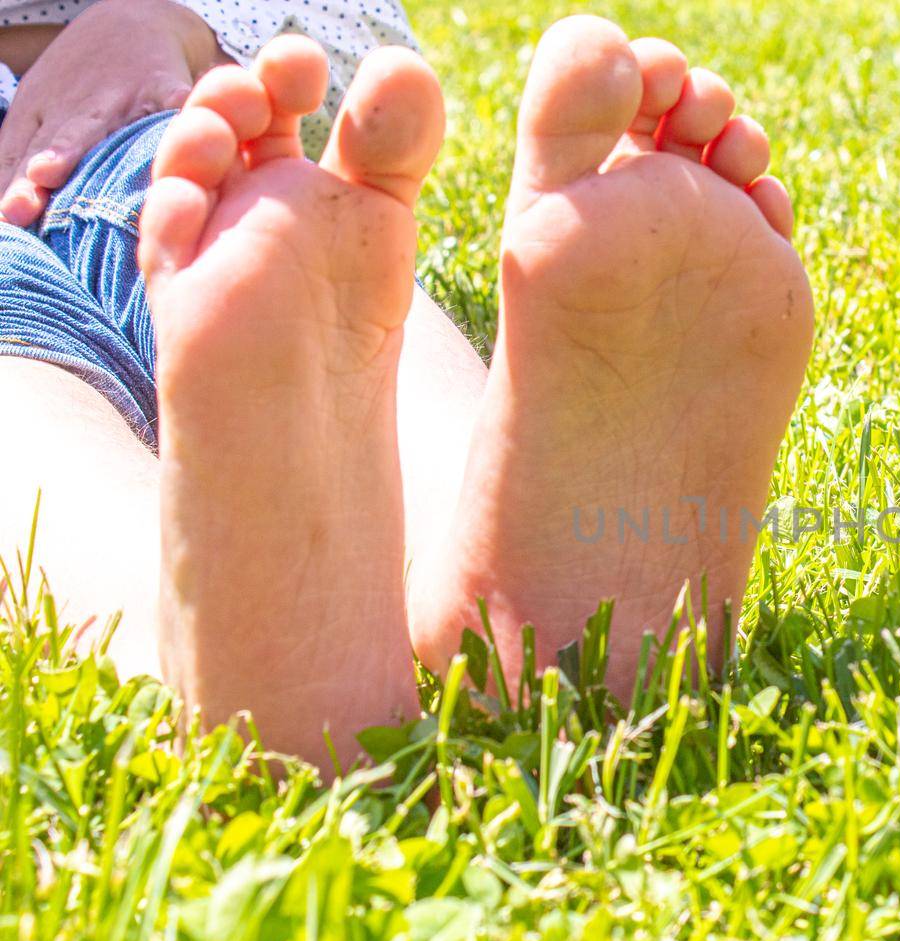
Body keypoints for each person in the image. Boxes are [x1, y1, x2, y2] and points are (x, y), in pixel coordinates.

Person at [0, 0, 815, 770]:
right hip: (149, 150)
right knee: (264, 251)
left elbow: (359, 32)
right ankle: (208, 627)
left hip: (132, 121)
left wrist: (182, 21)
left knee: (274, 240)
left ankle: (464, 551)